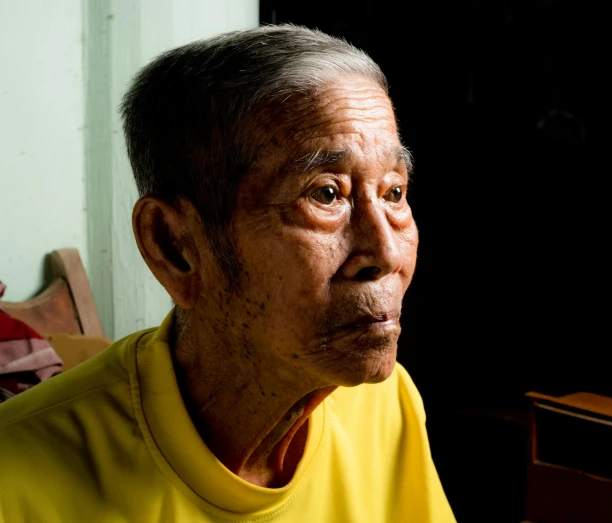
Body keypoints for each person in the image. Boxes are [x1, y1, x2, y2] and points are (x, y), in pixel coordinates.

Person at [0, 24, 455, 522]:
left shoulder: (385, 404)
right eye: (325, 194)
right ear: (174, 248)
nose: (386, 252)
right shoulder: (14, 482)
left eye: (394, 192)